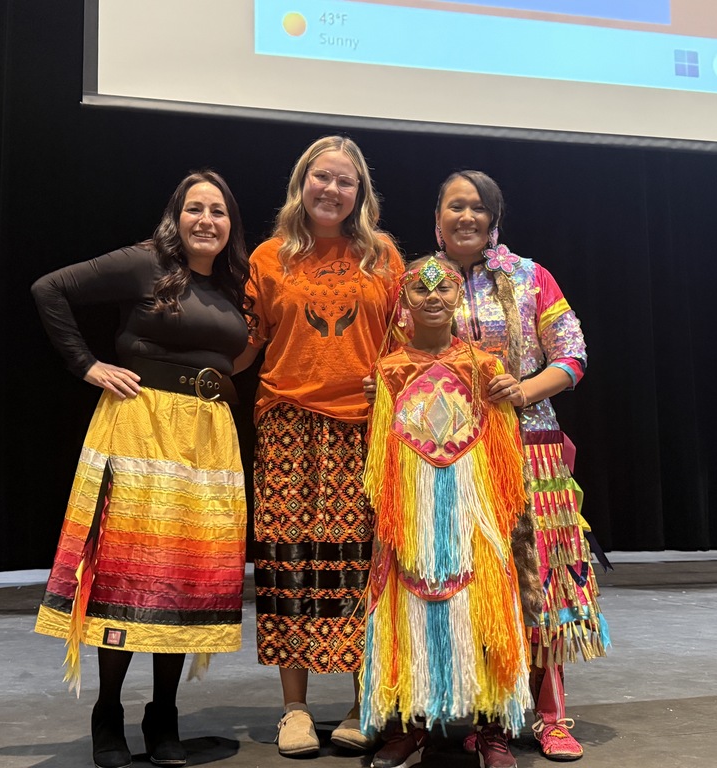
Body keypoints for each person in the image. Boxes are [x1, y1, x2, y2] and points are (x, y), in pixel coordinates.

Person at [31, 170, 251, 768]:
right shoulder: (145, 262)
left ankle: (163, 716)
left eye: (219, 211)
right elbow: (49, 289)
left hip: (207, 439)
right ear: (176, 217)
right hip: (141, 428)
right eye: (195, 209)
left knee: (180, 576)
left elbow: (242, 350)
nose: (207, 220)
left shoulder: (237, 283)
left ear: (231, 225)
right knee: (129, 572)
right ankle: (108, 712)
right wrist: (87, 365)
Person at [438, 170, 610, 762]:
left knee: (545, 584)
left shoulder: (530, 276)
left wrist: (527, 389)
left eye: (477, 208)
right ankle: (487, 717)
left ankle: (550, 716)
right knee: (477, 587)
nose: (466, 216)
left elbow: (574, 352)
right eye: (455, 206)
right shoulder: (420, 281)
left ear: (493, 220)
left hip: (533, 450)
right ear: (437, 218)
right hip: (452, 460)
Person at [242, 135, 404, 758]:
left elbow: (403, 342)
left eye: (345, 181)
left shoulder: (382, 256)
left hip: (362, 428)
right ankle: (295, 709)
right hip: (285, 426)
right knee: (289, 566)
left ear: (360, 193)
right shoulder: (268, 257)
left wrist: (388, 379)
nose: (331, 189)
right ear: (301, 183)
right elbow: (247, 344)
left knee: (362, 567)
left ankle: (366, 702)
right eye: (321, 177)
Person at [359, 255, 537, 768]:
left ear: (459, 298)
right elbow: (381, 452)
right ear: (405, 301)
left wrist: (495, 512)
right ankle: (407, 726)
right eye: (420, 291)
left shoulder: (484, 367)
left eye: (442, 290)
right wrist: (394, 512)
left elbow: (502, 450)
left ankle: (493, 729)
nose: (432, 298)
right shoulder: (389, 370)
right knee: (406, 606)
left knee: (484, 606)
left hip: (470, 505)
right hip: (411, 509)